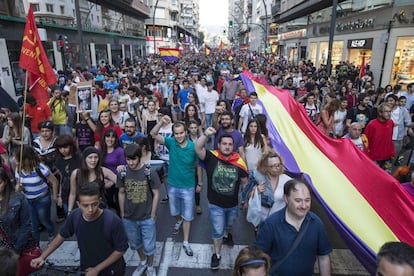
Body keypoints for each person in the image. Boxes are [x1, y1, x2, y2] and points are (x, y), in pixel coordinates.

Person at [31, 182, 129, 275]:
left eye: (94, 204)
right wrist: (42, 257)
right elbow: (61, 235)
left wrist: (97, 269)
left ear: (99, 201)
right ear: (78, 204)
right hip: (87, 267)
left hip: (111, 270)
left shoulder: (112, 220)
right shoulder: (75, 216)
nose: (90, 209)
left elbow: (121, 249)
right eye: (85, 205)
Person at [195, 128, 249, 270]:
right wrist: (206, 134)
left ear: (233, 146)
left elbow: (245, 183)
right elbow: (198, 147)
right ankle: (216, 254)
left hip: (232, 205)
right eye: (224, 143)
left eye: (230, 144)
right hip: (215, 205)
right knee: (217, 230)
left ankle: (228, 233)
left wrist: (246, 201)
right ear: (218, 145)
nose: (227, 146)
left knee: (229, 224)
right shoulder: (211, 157)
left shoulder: (239, 162)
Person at [255, 179, 332, 275]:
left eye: (307, 200)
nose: (304, 206)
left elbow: (323, 257)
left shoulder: (316, 223)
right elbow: (258, 257)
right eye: (298, 201)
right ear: (286, 199)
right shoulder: (271, 224)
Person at [150, 118, 198, 257]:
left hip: (188, 186)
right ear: (173, 134)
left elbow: (197, 167)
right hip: (172, 185)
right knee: (174, 212)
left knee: (188, 216)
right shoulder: (171, 142)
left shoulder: (192, 147)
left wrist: (199, 183)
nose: (179, 136)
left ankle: (186, 241)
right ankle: (180, 219)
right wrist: (160, 122)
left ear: (186, 132)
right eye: (176, 133)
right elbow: (153, 134)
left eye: (181, 133)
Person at [117, 144, 161, 276]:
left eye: (133, 159)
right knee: (135, 243)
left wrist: (153, 214)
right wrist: (122, 213)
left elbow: (157, 193)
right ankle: (142, 261)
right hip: (129, 217)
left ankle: (150, 265)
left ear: (139, 158)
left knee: (149, 246)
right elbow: (121, 192)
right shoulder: (123, 173)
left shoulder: (149, 172)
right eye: (128, 159)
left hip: (146, 217)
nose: (130, 163)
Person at [13, 145, 58, 242]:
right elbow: (18, 185)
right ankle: (35, 246)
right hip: (28, 200)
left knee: (44, 220)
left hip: (42, 199)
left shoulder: (40, 168)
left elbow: (54, 182)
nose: (13, 158)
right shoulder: (18, 169)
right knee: (33, 224)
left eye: (15, 156)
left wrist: (55, 196)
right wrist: (18, 187)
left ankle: (52, 233)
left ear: (24, 158)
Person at [67, 147, 117, 214]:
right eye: (90, 157)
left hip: (100, 207)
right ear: (85, 159)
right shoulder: (76, 173)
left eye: (96, 157)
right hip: (83, 207)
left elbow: (119, 181)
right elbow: (72, 194)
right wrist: (69, 211)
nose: (93, 160)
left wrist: (110, 183)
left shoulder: (103, 171)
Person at [0, 167, 34, 256]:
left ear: (6, 182)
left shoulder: (18, 199)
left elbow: (26, 225)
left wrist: (17, 250)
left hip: (16, 245)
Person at [54, 134, 81, 217]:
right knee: (69, 216)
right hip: (66, 193)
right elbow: (61, 178)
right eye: (61, 148)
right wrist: (59, 195)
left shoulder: (79, 158)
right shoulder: (58, 161)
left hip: (79, 192)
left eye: (65, 147)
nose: (63, 150)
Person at [364, 103, 395, 173]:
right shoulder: (372, 124)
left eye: (390, 111)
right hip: (374, 157)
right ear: (380, 113)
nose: (389, 114)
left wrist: (392, 152)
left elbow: (390, 138)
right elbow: (365, 141)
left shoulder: (391, 122)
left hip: (388, 157)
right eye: (386, 112)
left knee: (387, 177)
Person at [101, 128, 126, 213]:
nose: (110, 139)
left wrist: (112, 181)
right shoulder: (100, 151)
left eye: (113, 137)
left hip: (116, 181)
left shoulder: (120, 151)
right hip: (104, 180)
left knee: (117, 204)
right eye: (108, 136)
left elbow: (123, 167)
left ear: (116, 139)